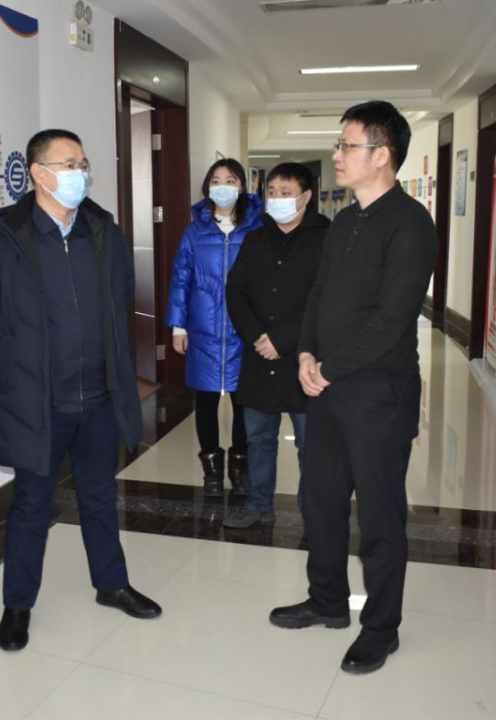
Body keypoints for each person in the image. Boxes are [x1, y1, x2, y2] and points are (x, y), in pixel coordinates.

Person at [0, 129, 162, 652]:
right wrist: (15, 358)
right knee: (31, 505)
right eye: (68, 163)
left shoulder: (103, 232)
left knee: (100, 497)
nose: (80, 173)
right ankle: (18, 605)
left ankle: (112, 584)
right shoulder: (5, 240)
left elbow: (121, 295)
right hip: (39, 403)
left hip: (99, 398)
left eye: (83, 163)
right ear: (38, 173)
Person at [269, 101, 437, 675]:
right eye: (339, 145)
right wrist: (306, 353)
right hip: (328, 387)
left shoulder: (411, 224)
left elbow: (391, 320)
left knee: (381, 517)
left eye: (347, 145)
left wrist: (329, 366)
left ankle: (382, 628)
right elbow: (318, 295)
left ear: (381, 155)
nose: (337, 154)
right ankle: (327, 600)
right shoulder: (344, 221)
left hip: (378, 395)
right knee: (321, 500)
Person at [223, 162, 329, 528]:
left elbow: (325, 300)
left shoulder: (326, 239)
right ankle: (257, 505)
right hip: (259, 358)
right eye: (271, 192)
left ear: (306, 196)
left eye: (286, 193)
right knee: (258, 438)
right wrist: (257, 336)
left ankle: (313, 513)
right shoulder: (256, 238)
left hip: (306, 358)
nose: (277, 199)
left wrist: (282, 339)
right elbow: (235, 292)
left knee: (311, 444)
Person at [167, 159, 264, 497]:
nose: (223, 186)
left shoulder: (257, 228)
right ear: (208, 187)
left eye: (231, 180)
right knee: (206, 401)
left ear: (242, 186)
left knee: (243, 401)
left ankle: (239, 468)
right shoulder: (194, 231)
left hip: (243, 330)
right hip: (203, 329)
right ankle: (211, 472)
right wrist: (178, 327)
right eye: (217, 180)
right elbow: (181, 279)